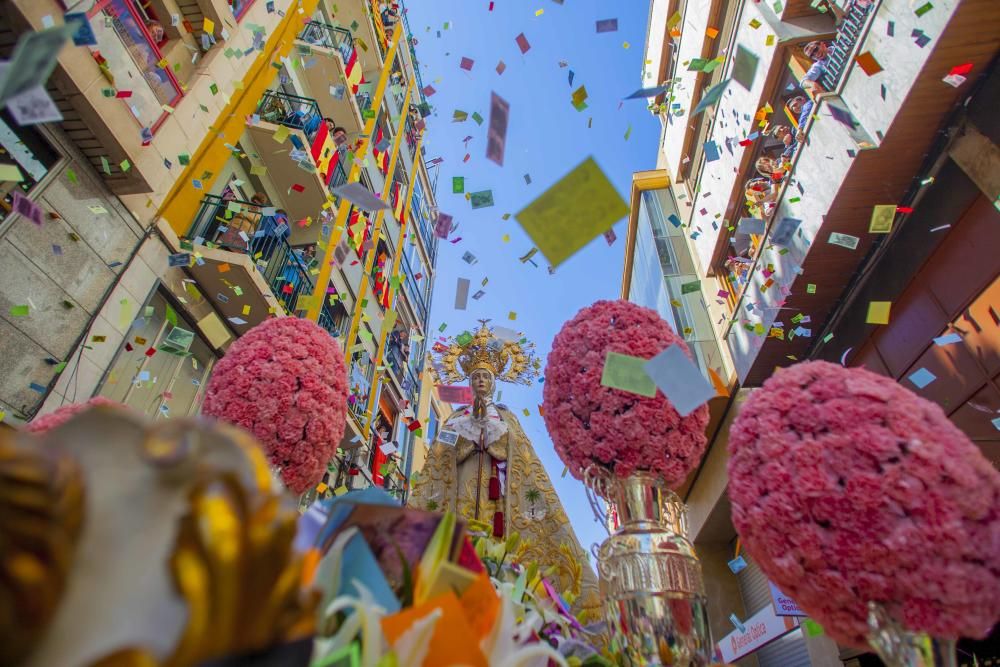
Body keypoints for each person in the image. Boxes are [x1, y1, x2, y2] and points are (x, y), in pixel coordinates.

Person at [408, 322, 601, 614]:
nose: (482, 380)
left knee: (500, 554)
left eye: (486, 376)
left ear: (494, 381)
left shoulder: (507, 418)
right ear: (470, 382)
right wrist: (468, 441)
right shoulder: (454, 419)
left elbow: (520, 455)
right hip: (463, 486)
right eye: (477, 376)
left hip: (498, 496)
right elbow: (441, 456)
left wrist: (494, 437)